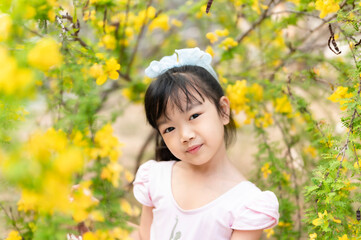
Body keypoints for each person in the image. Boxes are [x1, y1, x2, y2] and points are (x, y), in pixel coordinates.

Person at [133, 47, 279, 240]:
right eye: (169, 129)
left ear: (223, 110)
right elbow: (144, 236)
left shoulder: (246, 204)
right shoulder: (156, 178)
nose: (185, 135)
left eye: (194, 116)